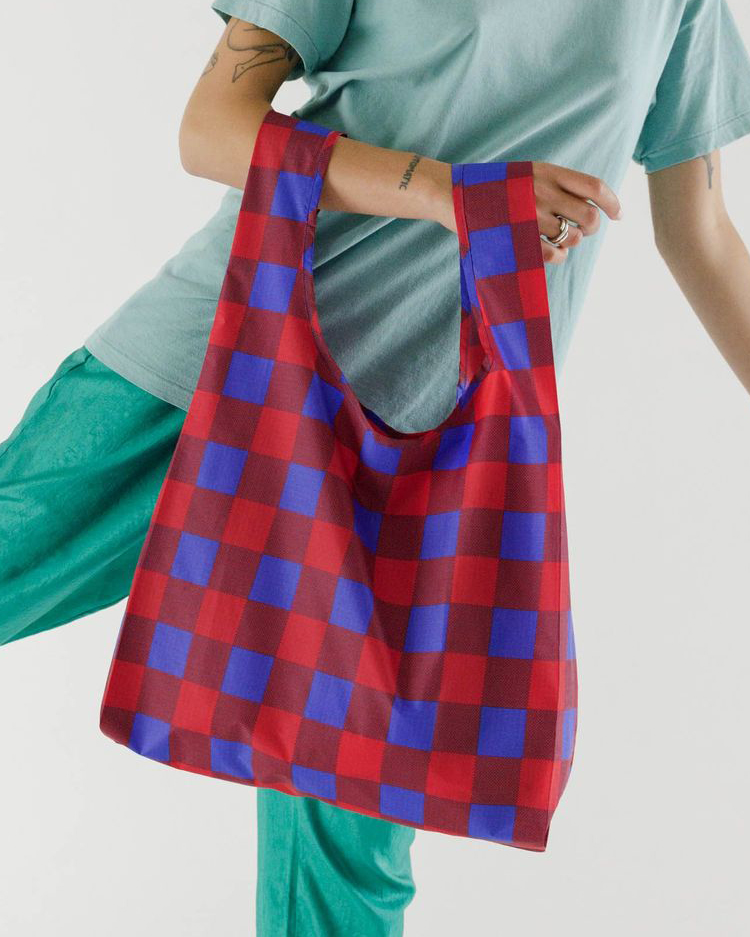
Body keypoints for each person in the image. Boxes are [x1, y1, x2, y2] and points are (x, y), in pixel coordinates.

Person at [3, 1, 750, 934]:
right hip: (218, 367)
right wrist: (447, 191)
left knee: (346, 868)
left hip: (425, 448)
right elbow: (212, 129)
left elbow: (702, 232)